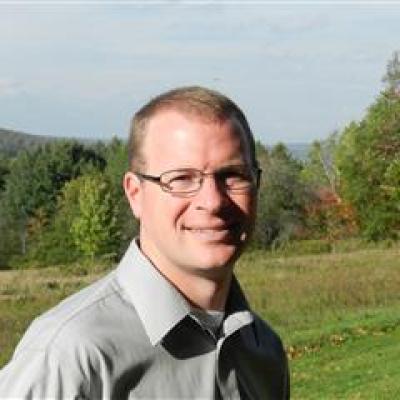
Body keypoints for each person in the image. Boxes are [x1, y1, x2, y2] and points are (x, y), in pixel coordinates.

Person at [0, 86, 289, 399]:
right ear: (135, 194)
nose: (213, 201)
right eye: (181, 179)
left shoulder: (264, 351)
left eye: (233, 175)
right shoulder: (72, 357)